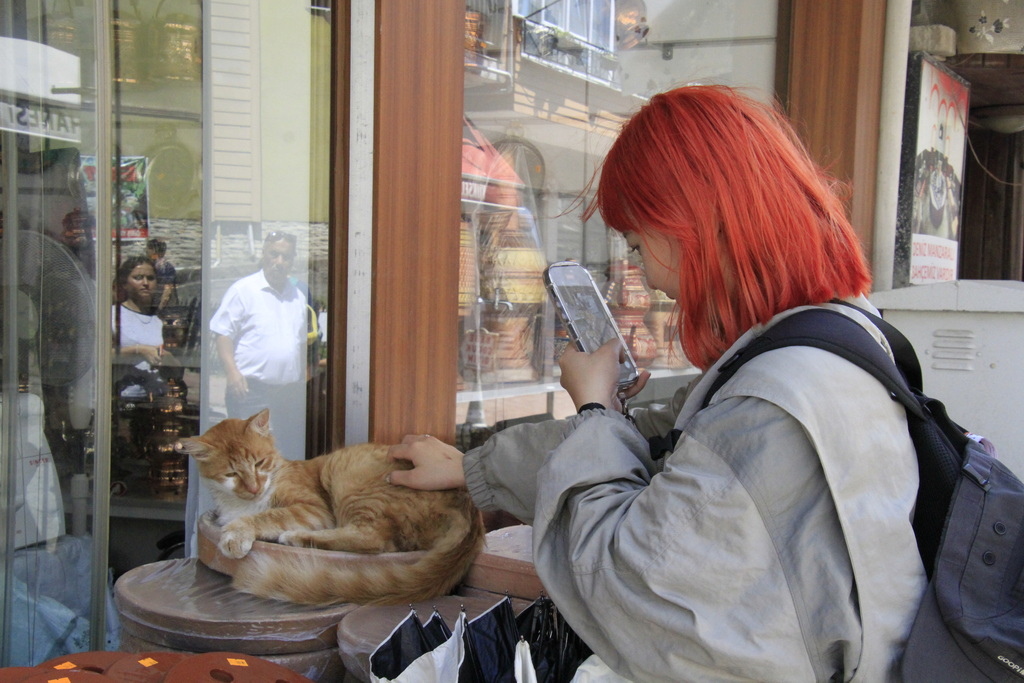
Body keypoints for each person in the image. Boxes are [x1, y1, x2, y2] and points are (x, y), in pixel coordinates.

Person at [388, 85, 925, 681]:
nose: (638, 267)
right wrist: (475, 469)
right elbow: (664, 438)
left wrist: (594, 404)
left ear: (694, 223)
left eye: (638, 243)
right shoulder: (834, 333)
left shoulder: (772, 405)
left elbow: (625, 590)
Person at [209, 230, 307, 459]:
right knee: (250, 457)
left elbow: (301, 342)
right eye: (274, 254)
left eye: (286, 257)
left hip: (286, 394)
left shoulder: (297, 296)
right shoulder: (243, 290)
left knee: (286, 455)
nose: (279, 262)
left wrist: (301, 378)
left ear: (293, 259)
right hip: (250, 392)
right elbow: (223, 334)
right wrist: (232, 373)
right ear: (264, 254)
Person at [112, 255, 168, 399]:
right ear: (125, 283)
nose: (145, 283)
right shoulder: (112, 315)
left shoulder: (159, 320)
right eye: (138, 278)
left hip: (155, 398)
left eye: (150, 278)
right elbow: (99, 356)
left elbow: (177, 368)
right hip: (123, 398)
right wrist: (139, 350)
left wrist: (167, 358)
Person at [145, 237, 177, 310]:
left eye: (149, 248)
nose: (146, 251)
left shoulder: (166, 268)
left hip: (160, 307)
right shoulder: (148, 265)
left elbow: (167, 290)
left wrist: (160, 308)